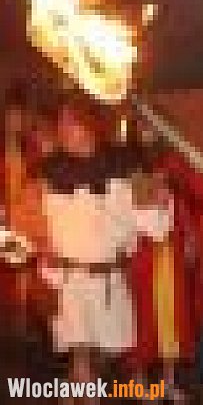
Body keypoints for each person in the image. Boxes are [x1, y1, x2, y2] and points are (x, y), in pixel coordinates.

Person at [33, 93, 174, 403]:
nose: (62, 130)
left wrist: (160, 200)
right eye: (61, 123)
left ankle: (72, 393)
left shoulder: (127, 167)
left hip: (109, 282)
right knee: (81, 355)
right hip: (70, 282)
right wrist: (46, 266)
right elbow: (41, 225)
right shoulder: (50, 170)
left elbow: (155, 226)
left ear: (90, 125)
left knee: (101, 358)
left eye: (70, 122)